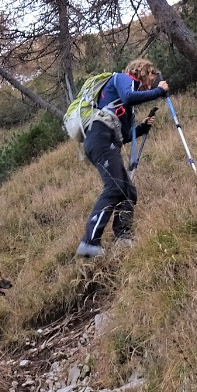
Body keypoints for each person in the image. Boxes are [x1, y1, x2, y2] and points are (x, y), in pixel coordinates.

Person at [75, 58, 170, 258]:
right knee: (114, 188)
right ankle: (89, 243)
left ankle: (123, 238)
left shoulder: (125, 105)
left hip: (105, 140)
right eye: (151, 75)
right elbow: (129, 96)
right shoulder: (122, 79)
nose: (152, 81)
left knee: (128, 190)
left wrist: (142, 127)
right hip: (100, 137)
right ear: (142, 71)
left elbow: (125, 136)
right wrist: (159, 91)